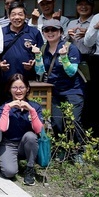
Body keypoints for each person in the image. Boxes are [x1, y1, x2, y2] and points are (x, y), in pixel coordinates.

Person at [33, 19, 85, 150]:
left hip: (72, 90)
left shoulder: (70, 48)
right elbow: (39, 71)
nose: (50, 33)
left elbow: (71, 72)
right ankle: (62, 150)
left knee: (74, 121)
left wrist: (64, 57)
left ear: (61, 32)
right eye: (47, 30)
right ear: (43, 32)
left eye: (54, 29)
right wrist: (38, 56)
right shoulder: (43, 48)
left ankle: (78, 151)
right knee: (57, 123)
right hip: (54, 92)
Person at [0, 74, 42, 186]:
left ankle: (30, 168)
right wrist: (7, 108)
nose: (18, 91)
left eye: (21, 87)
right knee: (9, 173)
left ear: (27, 89)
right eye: (14, 87)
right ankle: (8, 161)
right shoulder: (3, 107)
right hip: (8, 143)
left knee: (31, 136)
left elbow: (38, 129)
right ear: (9, 89)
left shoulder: (35, 107)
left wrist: (31, 111)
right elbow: (2, 128)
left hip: (25, 144)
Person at [0, 1, 43, 105]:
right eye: (13, 14)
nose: (17, 17)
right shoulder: (0, 32)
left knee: (26, 109)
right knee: (3, 109)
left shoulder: (34, 33)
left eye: (20, 14)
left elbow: (40, 53)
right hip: (5, 79)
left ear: (25, 16)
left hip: (27, 79)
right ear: (8, 16)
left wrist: (33, 63)